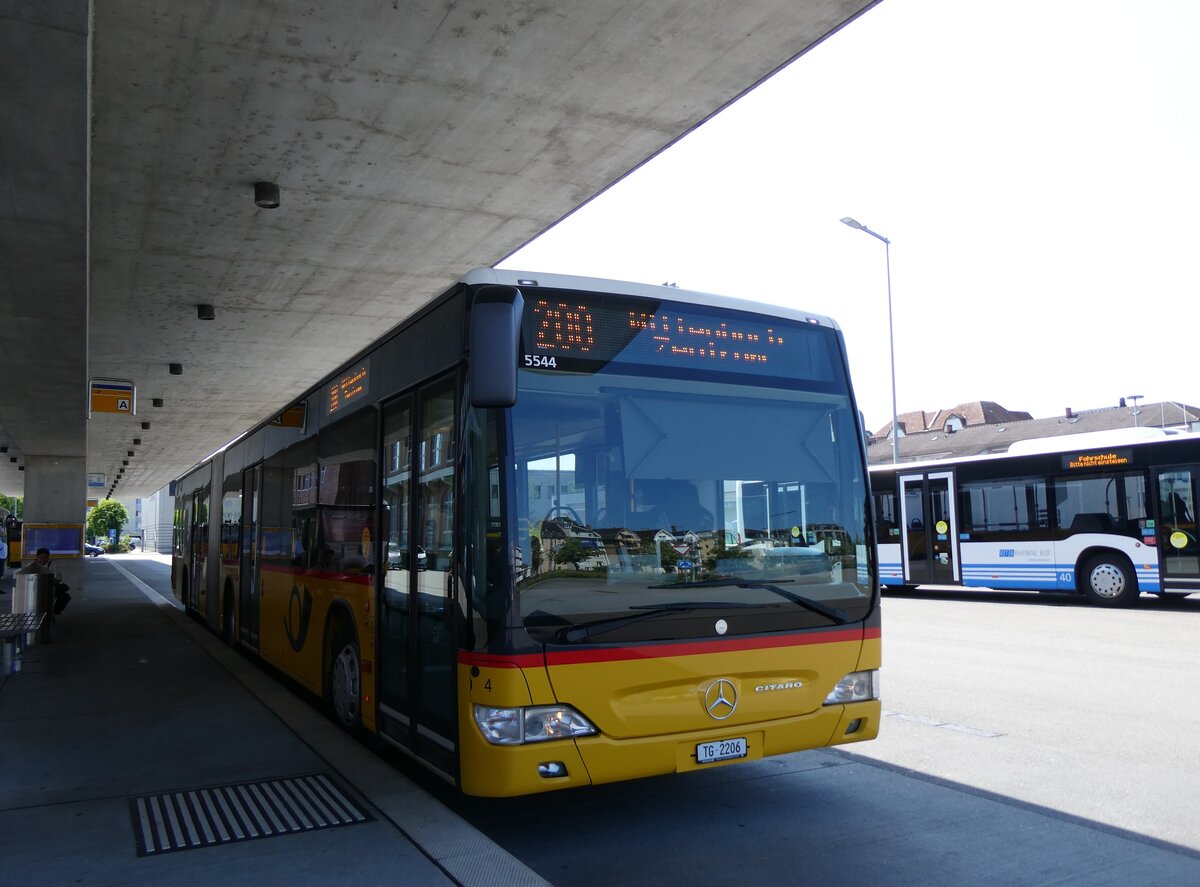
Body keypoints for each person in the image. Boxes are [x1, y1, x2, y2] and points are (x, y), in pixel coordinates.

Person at [19, 547, 71, 615]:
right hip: (35, 589)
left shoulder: (52, 564)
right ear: (37, 557)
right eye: (41, 557)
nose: (43, 560)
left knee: (65, 597)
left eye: (45, 557)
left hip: (50, 588)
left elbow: (59, 578)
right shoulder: (31, 566)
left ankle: (54, 612)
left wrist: (51, 581)